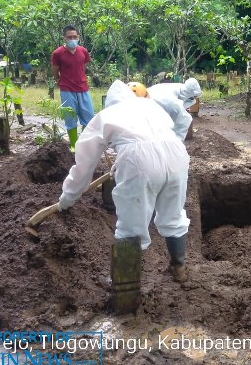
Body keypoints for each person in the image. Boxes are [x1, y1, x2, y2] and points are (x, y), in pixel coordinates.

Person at [58, 80, 191, 282]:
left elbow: (85, 163)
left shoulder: (106, 116)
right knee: (173, 215)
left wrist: (68, 197)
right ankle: (179, 268)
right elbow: (155, 139)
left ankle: (124, 285)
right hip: (177, 155)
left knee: (131, 226)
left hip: (139, 161)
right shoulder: (150, 106)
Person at [51, 25, 94, 150]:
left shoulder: (83, 51)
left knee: (89, 117)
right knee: (70, 118)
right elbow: (55, 70)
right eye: (69, 37)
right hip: (67, 89)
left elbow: (83, 65)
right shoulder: (58, 53)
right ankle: (74, 146)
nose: (72, 39)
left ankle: (85, 145)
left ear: (78, 37)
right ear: (64, 38)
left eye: (74, 37)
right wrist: (58, 80)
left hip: (83, 88)